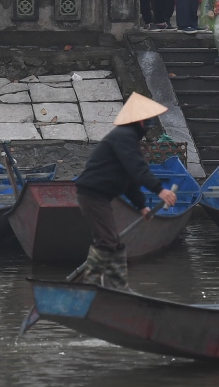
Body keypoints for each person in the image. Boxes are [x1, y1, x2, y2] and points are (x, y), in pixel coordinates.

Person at [73, 92, 179, 291]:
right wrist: (159, 190)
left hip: (101, 196)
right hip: (91, 194)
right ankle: (91, 286)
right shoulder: (123, 136)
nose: (150, 123)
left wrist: (141, 206)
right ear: (139, 120)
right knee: (107, 241)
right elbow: (137, 168)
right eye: (148, 119)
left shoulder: (128, 139)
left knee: (113, 241)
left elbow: (130, 180)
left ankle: (117, 287)